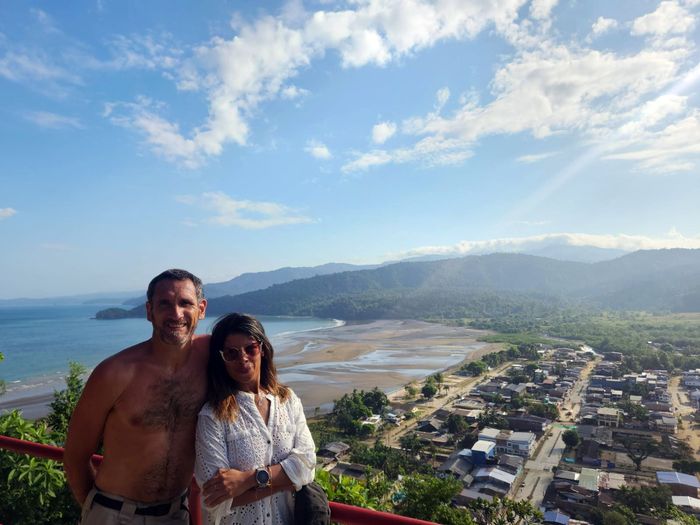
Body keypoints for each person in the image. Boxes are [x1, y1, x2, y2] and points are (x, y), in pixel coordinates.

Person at [64, 269, 209, 524]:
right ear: (149, 311)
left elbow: (253, 353)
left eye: (185, 303)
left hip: (177, 513)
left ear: (201, 309)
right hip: (115, 513)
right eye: (164, 304)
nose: (176, 314)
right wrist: (98, 511)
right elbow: (75, 456)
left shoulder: (210, 358)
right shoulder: (115, 373)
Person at [195, 313, 316, 525]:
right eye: (231, 353)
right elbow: (215, 501)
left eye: (250, 349)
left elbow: (307, 464)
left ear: (262, 349)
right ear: (221, 359)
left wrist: (247, 480)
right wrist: (288, 481)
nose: (243, 358)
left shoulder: (288, 401)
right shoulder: (212, 416)